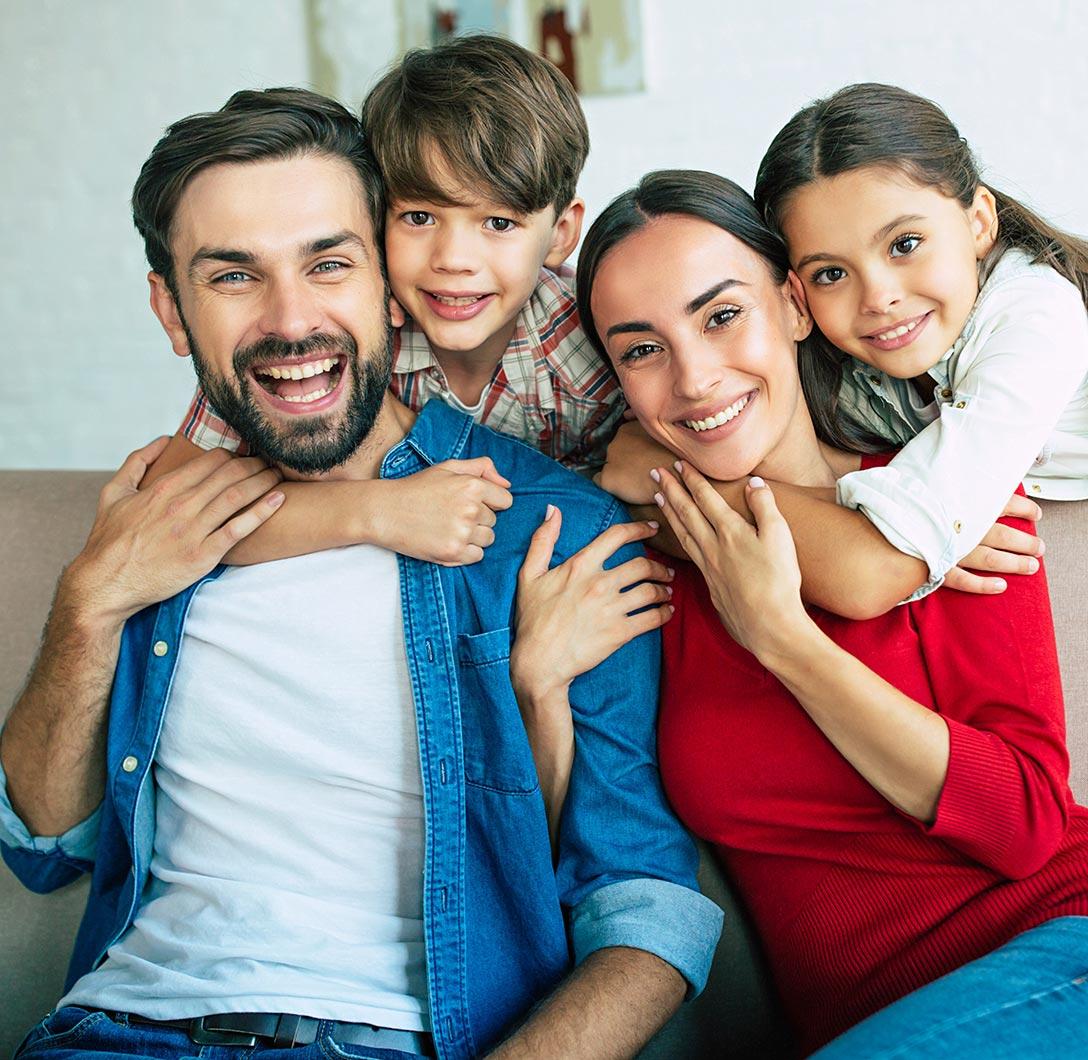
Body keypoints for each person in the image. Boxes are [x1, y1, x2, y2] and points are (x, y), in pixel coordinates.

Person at [0, 92, 722, 1060]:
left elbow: (645, 905)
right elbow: (46, 846)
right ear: (171, 308)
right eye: (232, 277)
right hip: (116, 1034)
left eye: (328, 264)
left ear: (388, 284)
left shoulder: (556, 531)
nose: (291, 320)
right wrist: (88, 603)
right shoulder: (162, 526)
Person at [517, 168, 1088, 1057]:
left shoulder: (941, 504)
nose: (695, 378)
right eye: (642, 350)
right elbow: (574, 858)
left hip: (1057, 947)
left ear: (790, 304)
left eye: (720, 316)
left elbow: (1027, 825)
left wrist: (783, 638)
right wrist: (536, 690)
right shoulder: (641, 564)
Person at [149, 34, 624, 572]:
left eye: (499, 222)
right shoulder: (336, 335)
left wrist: (641, 464)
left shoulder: (590, 336)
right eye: (419, 217)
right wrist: (372, 509)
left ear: (561, 235)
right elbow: (174, 511)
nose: (453, 259)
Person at [753, 82, 1088, 599]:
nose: (878, 297)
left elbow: (883, 559)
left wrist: (694, 492)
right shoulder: (849, 352)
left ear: (978, 223)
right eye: (830, 274)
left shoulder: (1038, 317)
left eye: (904, 244)